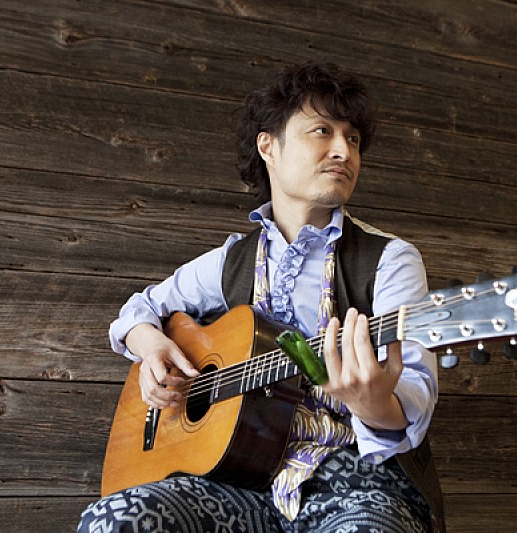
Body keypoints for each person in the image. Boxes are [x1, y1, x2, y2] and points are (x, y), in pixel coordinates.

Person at [78, 61, 440, 532]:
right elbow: (136, 311)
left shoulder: (389, 260)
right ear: (268, 146)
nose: (343, 151)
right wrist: (151, 347)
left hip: (352, 480)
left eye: (352, 139)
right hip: (237, 482)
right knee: (116, 521)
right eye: (322, 131)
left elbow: (415, 395)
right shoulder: (231, 261)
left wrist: (372, 404)